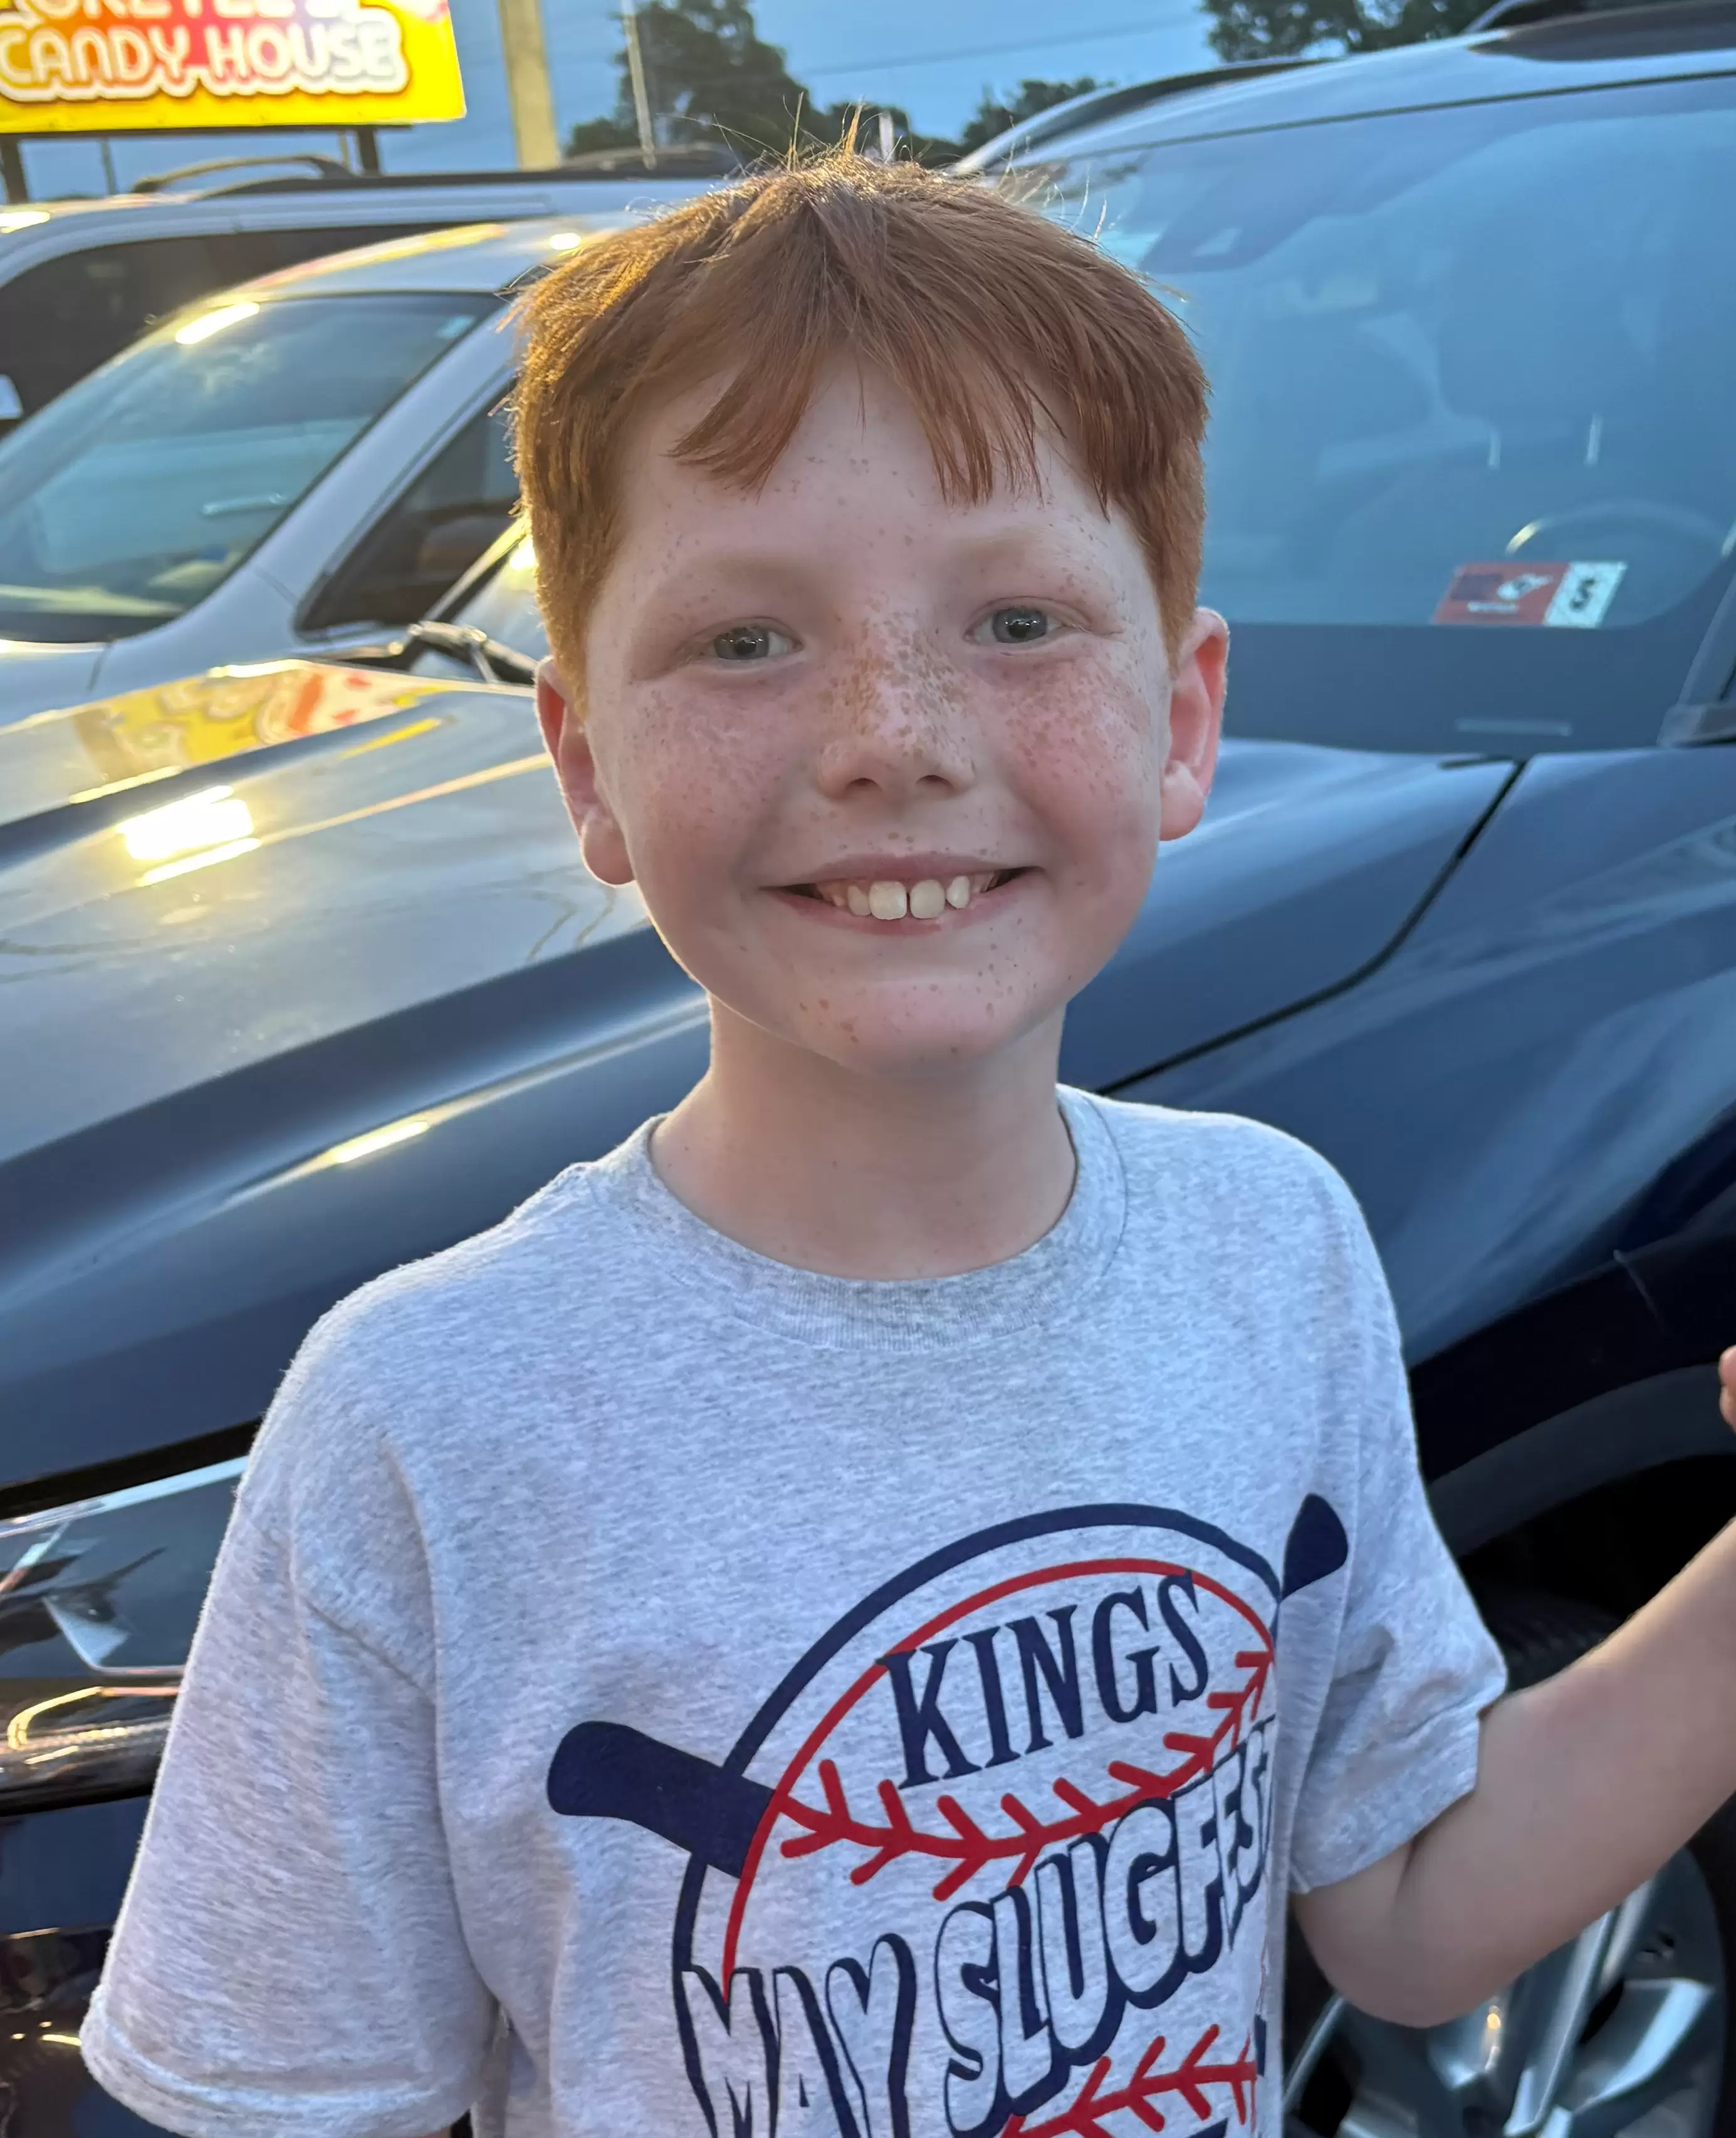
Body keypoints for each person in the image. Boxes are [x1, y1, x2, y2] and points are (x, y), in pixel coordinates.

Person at [81, 150, 1736, 2138]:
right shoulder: (429, 1415)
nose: (895, 733)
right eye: (745, 639)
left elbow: (1406, 1912)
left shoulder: (1270, 1246)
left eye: (1019, 617)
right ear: (588, 766)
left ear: (1181, 716)